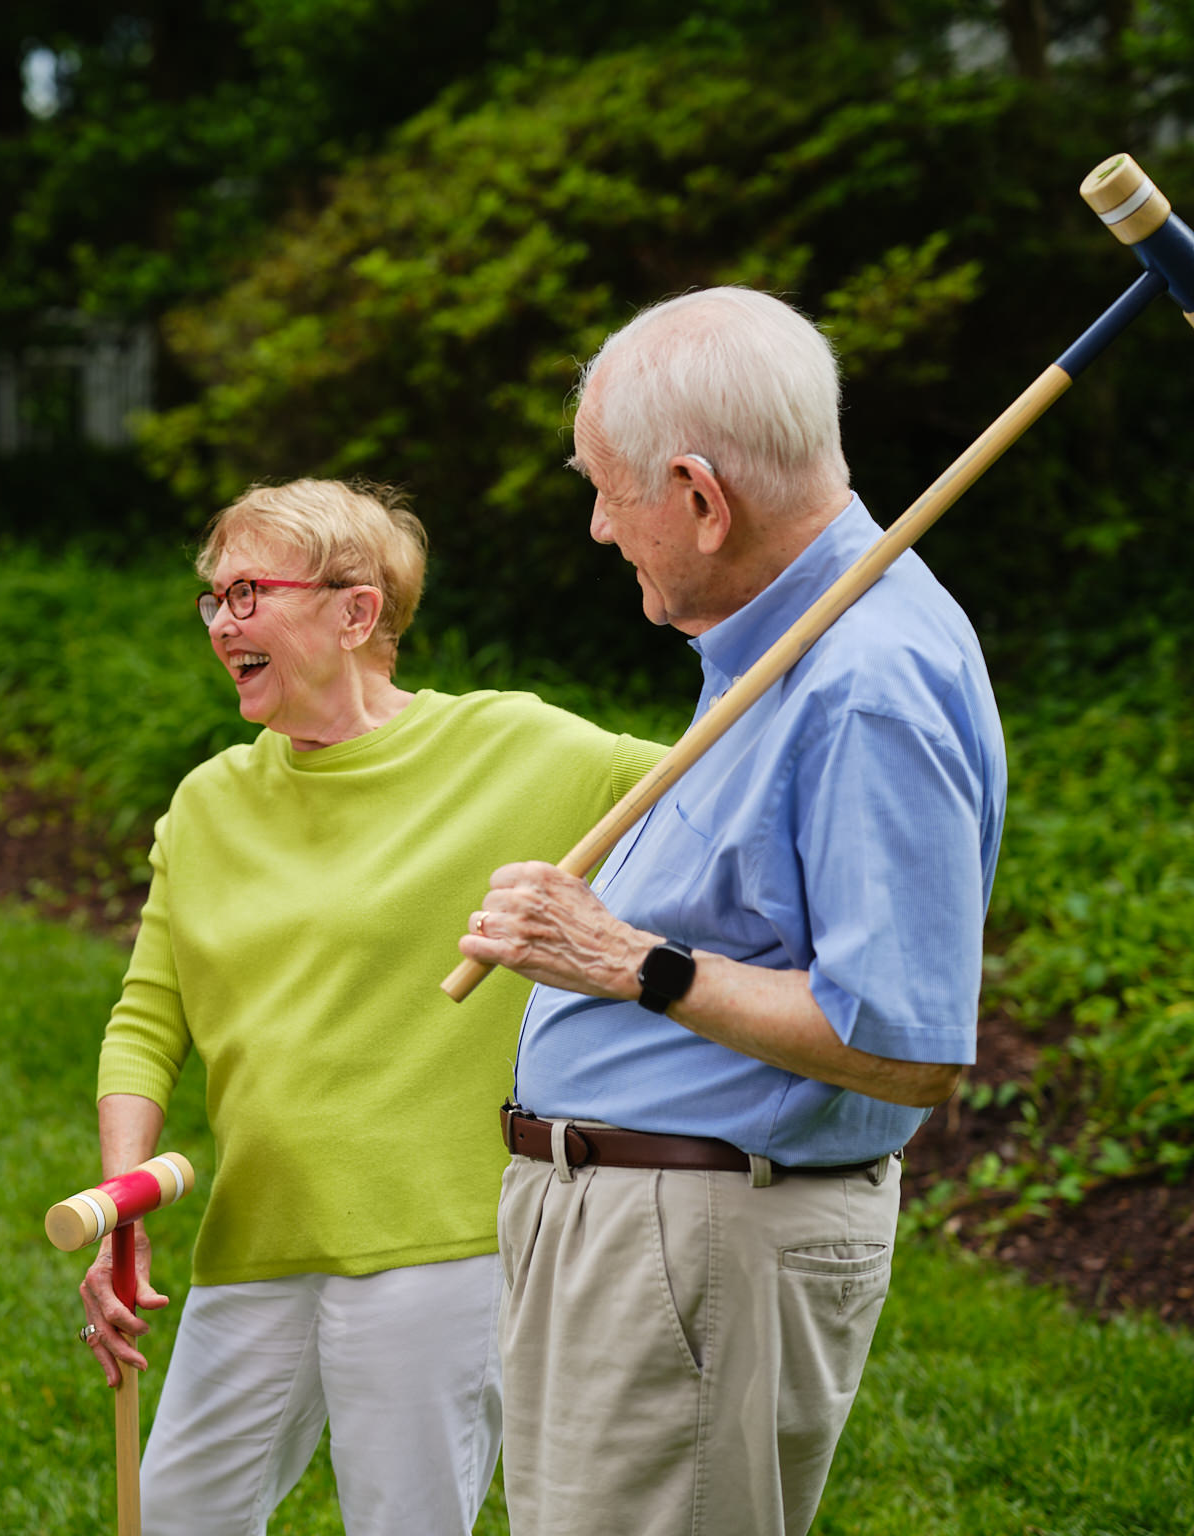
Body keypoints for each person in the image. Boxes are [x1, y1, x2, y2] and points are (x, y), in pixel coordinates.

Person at [458, 287, 1006, 1534]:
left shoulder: (866, 681)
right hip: (641, 1229)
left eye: (606, 490)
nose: (598, 528)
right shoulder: (778, 640)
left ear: (701, 498)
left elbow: (902, 1048)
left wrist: (627, 960)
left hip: (698, 1244)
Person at [76, 479, 667, 1536]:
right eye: (211, 598)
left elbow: (707, 797)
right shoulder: (211, 799)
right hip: (255, 1232)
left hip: (433, 1244)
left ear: (355, 613)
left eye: (248, 592)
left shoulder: (512, 750)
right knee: (171, 1515)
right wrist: (124, 1200)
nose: (221, 622)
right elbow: (145, 1019)